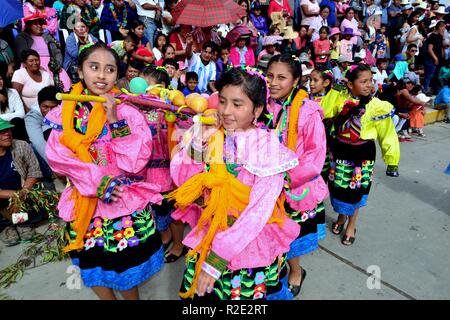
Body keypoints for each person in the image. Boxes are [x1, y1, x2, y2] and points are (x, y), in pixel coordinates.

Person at [169, 66, 300, 300]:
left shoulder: (267, 149)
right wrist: (199, 141)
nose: (226, 111)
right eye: (222, 101)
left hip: (245, 243)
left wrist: (218, 257)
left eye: (237, 105)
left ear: (257, 110)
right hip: (210, 232)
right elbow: (184, 182)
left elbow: (257, 213)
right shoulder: (212, 134)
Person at [45, 42, 164, 300]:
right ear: (79, 70)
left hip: (122, 202)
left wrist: (115, 121)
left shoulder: (128, 112)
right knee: (91, 266)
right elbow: (58, 158)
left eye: (109, 69)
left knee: (123, 269)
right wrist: (98, 182)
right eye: (94, 67)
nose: (101, 75)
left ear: (117, 75)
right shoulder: (65, 113)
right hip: (85, 203)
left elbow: (135, 162)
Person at [266, 54, 328, 298]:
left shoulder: (307, 111)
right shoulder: (262, 104)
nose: (274, 82)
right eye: (270, 76)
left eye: (282, 77)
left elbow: (316, 156)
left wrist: (288, 179)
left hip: (294, 185)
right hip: (266, 184)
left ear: (295, 81)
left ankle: (296, 270)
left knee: (293, 234)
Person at [324, 64, 400, 246]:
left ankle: (352, 224)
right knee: (340, 189)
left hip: (362, 153)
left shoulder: (377, 107)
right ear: (350, 84)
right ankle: (341, 217)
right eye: (363, 81)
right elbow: (325, 111)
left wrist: (392, 160)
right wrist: (335, 91)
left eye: (370, 81)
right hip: (340, 150)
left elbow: (388, 133)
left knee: (356, 190)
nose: (369, 85)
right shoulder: (340, 99)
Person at [0, 118, 43, 246]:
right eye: (1, 131)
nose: (7, 133)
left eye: (7, 129)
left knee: (42, 200)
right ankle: (6, 227)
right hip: (3, 197)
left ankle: (21, 223)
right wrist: (14, 195)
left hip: (23, 192)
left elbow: (34, 171)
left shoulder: (21, 145)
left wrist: (22, 193)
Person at [15, 11, 71, 92]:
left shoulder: (47, 36)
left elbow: (57, 52)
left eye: (40, 24)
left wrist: (57, 64)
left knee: (64, 82)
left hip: (51, 65)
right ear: (29, 26)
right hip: (32, 64)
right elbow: (22, 54)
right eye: (35, 24)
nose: (39, 26)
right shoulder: (23, 37)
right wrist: (37, 66)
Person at [24, 85, 60, 165]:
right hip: (45, 158)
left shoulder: (63, 111)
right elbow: (39, 143)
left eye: (53, 107)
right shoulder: (32, 117)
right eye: (45, 107)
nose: (49, 111)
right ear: (39, 105)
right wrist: (55, 165)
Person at [0, 68, 26, 142]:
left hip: (12, 125)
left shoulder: (12, 92)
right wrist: (12, 115)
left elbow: (21, 114)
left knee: (17, 121)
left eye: (1, 79)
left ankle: (22, 146)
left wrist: (1, 117)